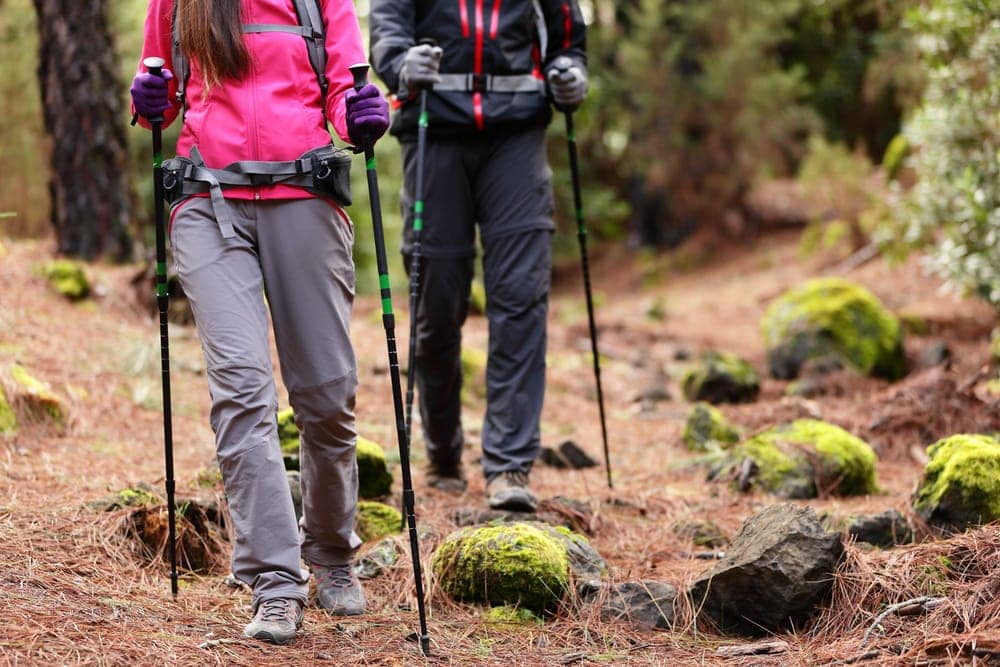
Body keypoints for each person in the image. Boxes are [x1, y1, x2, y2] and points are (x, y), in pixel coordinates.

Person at [129, 0, 390, 645]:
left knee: (327, 395)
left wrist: (360, 115)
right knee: (243, 390)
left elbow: (343, 91)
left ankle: (331, 550)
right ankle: (275, 581)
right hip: (206, 203)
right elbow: (157, 100)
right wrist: (149, 99)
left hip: (303, 195)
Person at [369, 1, 588, 512]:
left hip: (517, 138)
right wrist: (401, 65)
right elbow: (387, 29)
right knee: (437, 307)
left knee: (520, 299)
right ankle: (443, 452)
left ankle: (509, 464)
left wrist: (571, 71)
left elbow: (568, 38)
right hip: (434, 132)